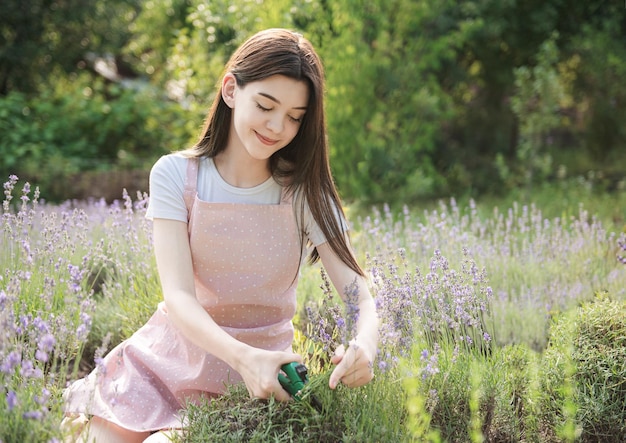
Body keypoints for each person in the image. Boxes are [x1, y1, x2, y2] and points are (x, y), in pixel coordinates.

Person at [62, 28, 379, 442]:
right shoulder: (177, 176)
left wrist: (366, 345)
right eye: (266, 106)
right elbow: (178, 297)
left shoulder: (305, 192)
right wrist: (242, 357)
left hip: (255, 383)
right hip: (165, 362)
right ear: (231, 90)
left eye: (295, 117)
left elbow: (360, 294)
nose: (277, 126)